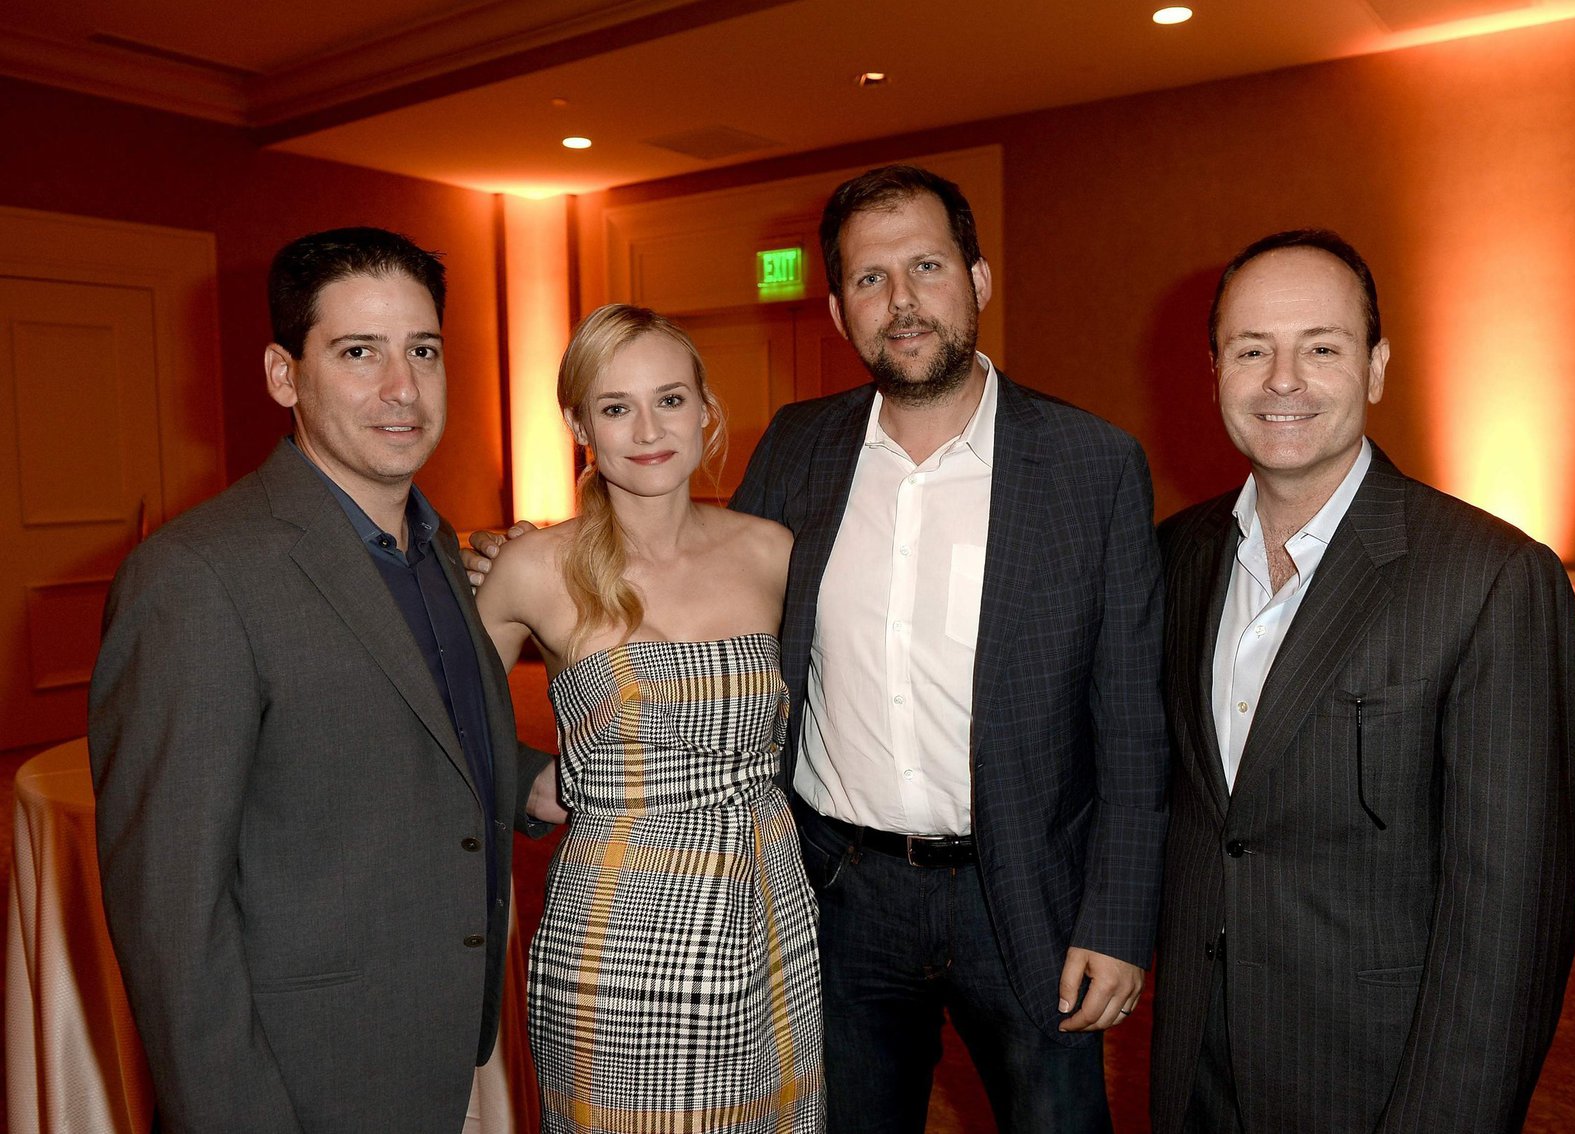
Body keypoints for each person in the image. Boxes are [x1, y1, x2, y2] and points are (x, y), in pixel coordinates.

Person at [469, 165, 1169, 1130]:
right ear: (840, 310)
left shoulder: (1090, 464)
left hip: (1022, 897)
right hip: (833, 895)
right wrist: (529, 560)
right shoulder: (799, 450)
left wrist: (1118, 923)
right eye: (871, 279)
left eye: (926, 265)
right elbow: (676, 586)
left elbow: (1134, 719)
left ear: (977, 278)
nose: (903, 300)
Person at [88, 227, 560, 1133]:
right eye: (358, 353)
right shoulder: (195, 577)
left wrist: (542, 783)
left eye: (422, 350)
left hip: (427, 1039)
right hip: (298, 1074)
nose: (403, 388)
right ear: (282, 374)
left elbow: (420, 744)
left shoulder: (431, 546)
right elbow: (169, 919)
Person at [1150, 229, 1575, 1133]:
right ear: (1213, 370)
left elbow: (1511, 925)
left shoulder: (1492, 579)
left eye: (1321, 347)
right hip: (1194, 1057)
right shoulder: (1174, 557)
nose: (1283, 379)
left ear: (1376, 367)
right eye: (1250, 350)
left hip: (1373, 1074)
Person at [472, 303, 823, 1133]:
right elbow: (441, 729)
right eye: (615, 406)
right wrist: (531, 784)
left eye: (669, 400)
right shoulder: (530, 566)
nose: (646, 430)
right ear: (577, 422)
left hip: (768, 905)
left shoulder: (774, 551)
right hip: (620, 927)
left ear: (706, 409)